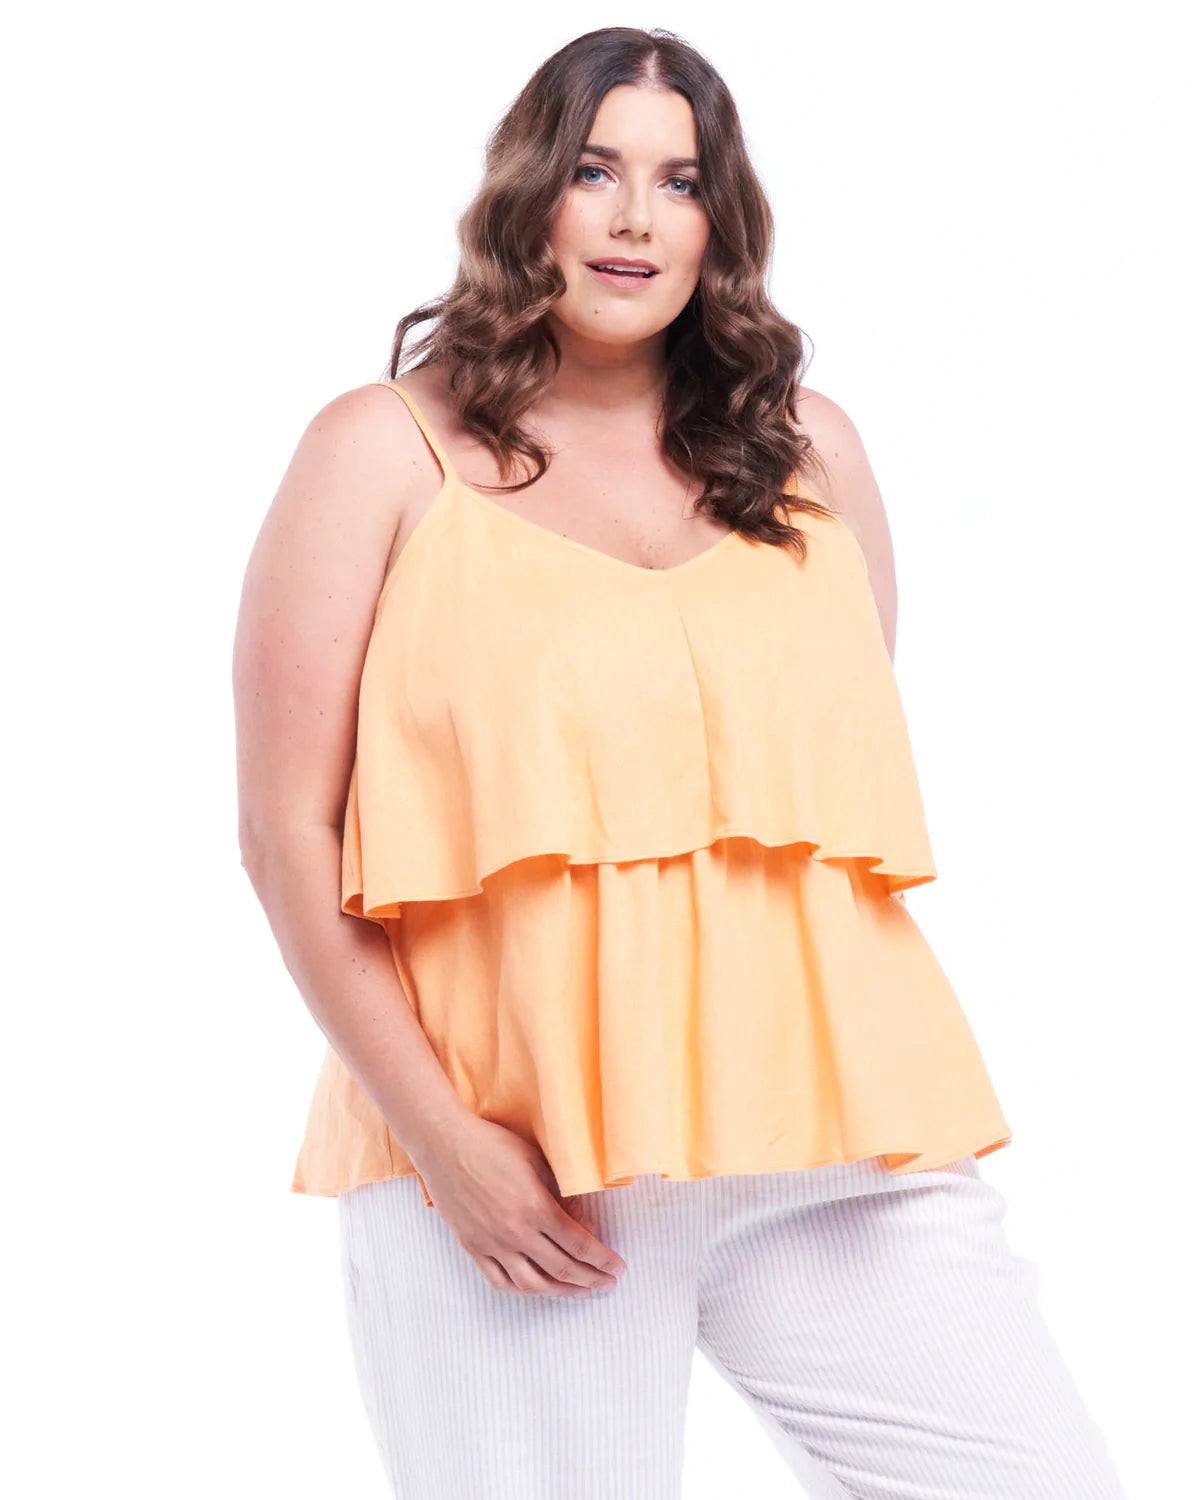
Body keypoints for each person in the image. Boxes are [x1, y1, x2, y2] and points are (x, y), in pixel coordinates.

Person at [233, 25, 1130, 1500]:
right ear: (530, 193)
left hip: (834, 1133)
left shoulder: (809, 452)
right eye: (596, 172)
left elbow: (813, 787)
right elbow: (287, 834)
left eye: (681, 181)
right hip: (521, 1153)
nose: (637, 218)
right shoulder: (380, 453)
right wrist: (442, 1143)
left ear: (723, 220)